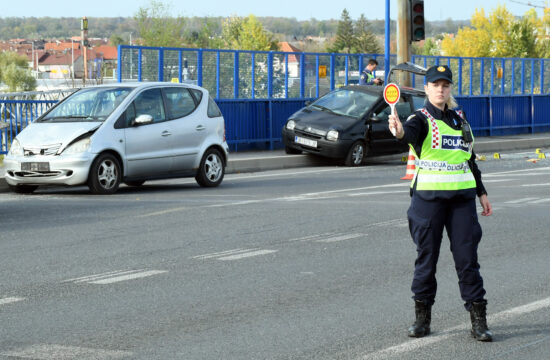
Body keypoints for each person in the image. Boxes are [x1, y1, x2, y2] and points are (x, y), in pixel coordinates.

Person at [388, 65, 494, 342]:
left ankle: (478, 321)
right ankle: (422, 319)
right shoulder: (419, 119)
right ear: (427, 88)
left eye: (445, 85)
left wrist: (481, 191)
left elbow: (469, 157)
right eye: (435, 85)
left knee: (467, 261)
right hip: (428, 201)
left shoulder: (460, 119)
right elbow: (407, 135)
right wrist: (399, 132)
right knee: (427, 260)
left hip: (462, 200)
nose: (440, 89)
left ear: (450, 89)